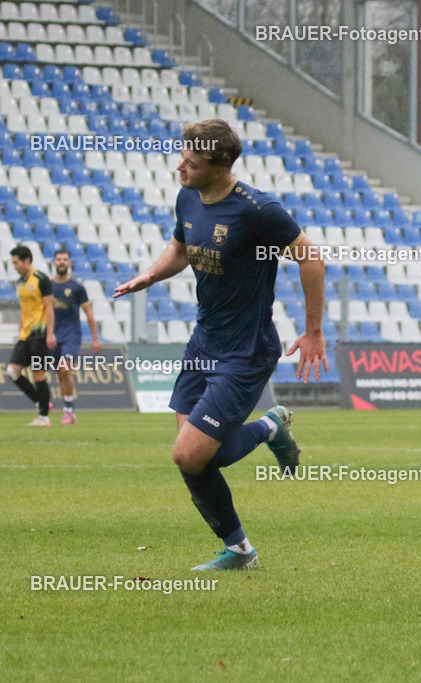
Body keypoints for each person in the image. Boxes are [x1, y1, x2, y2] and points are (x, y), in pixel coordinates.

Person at [114, 119, 328, 571]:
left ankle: (270, 427)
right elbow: (179, 248)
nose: (180, 166)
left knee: (189, 454)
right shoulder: (187, 195)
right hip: (203, 342)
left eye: (190, 162)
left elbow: (310, 257)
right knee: (193, 460)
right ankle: (239, 550)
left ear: (220, 165)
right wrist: (152, 274)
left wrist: (313, 330)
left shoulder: (258, 210)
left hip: (245, 351)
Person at [6, 245, 57, 426]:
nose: (14, 266)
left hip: (41, 333)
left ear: (27, 260)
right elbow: (23, 310)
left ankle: (43, 417)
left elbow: (49, 307)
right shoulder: (20, 283)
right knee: (12, 371)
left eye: (16, 262)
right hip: (25, 334)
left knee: (38, 372)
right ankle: (41, 401)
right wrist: (21, 331)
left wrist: (50, 333)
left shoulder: (41, 279)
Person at [51, 248, 102, 424]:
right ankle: (68, 407)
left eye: (65, 259)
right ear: (54, 263)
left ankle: (69, 409)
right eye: (59, 260)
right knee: (60, 373)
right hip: (53, 335)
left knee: (65, 369)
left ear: (70, 263)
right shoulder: (48, 287)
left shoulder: (77, 287)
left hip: (72, 334)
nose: (62, 262)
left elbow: (89, 313)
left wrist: (95, 338)